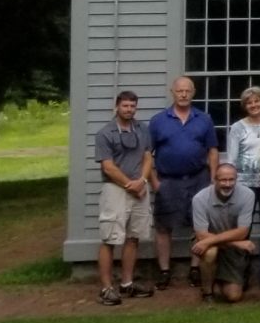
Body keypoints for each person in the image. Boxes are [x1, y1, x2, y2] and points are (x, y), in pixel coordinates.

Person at [146, 76, 219, 289]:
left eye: (188, 91)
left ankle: (195, 268)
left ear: (193, 92)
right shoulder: (158, 120)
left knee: (199, 225)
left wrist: (213, 179)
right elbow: (148, 154)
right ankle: (164, 271)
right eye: (180, 91)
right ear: (173, 92)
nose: (184, 94)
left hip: (198, 179)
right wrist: (154, 182)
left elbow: (213, 151)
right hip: (168, 180)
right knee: (163, 227)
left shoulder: (203, 119)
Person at [93, 91, 157, 305]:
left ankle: (127, 283)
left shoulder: (142, 129)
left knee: (133, 237)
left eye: (132, 106)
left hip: (140, 188)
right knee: (110, 238)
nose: (129, 109)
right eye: (125, 106)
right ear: (117, 107)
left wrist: (143, 181)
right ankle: (106, 288)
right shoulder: (105, 133)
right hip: (116, 190)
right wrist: (130, 184)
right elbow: (108, 167)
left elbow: (148, 156)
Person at [223, 85, 260, 288]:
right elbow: (231, 158)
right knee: (242, 231)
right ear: (245, 106)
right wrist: (231, 183)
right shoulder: (238, 127)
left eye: (257, 101)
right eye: (249, 102)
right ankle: (240, 275)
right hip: (244, 185)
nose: (254, 105)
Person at [186, 163, 259, 303]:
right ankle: (207, 292)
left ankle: (219, 278)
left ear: (236, 180)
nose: (227, 184)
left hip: (230, 249)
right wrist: (236, 243)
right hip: (210, 242)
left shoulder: (247, 195)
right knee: (210, 252)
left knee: (234, 296)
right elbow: (201, 235)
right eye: (223, 180)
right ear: (215, 180)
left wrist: (234, 242)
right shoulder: (200, 199)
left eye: (231, 180)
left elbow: (242, 232)